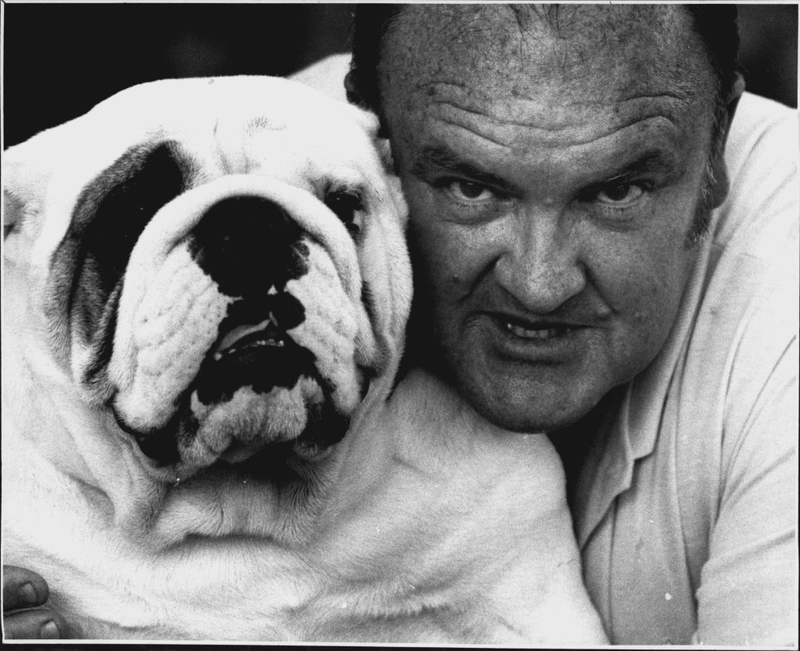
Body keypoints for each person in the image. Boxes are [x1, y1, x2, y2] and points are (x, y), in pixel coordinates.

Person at [4, 4, 797, 644]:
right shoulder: (291, 134)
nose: (539, 280)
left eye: (617, 191)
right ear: (379, 131)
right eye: (468, 185)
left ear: (715, 152)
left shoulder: (781, 307)